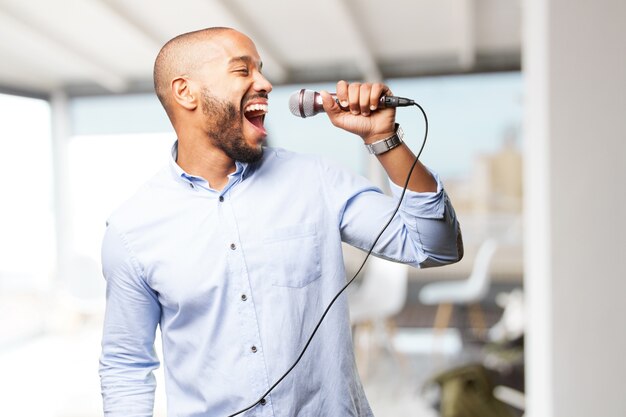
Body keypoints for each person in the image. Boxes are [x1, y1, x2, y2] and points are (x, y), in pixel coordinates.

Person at [99, 27, 463, 417]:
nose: (266, 84)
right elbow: (126, 365)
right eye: (243, 71)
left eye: (261, 70)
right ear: (185, 92)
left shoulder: (317, 181)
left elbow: (435, 246)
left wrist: (384, 139)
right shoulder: (131, 229)